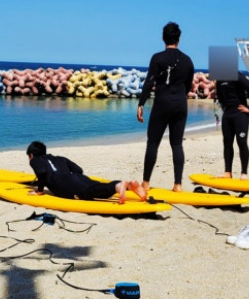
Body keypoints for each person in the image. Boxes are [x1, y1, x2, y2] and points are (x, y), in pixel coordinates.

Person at [137, 22, 195, 193]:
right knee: (177, 144)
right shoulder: (188, 60)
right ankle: (178, 185)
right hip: (180, 105)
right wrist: (179, 97)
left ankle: (145, 183)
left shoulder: (157, 58)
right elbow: (188, 85)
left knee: (153, 143)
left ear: (163, 38)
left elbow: (149, 82)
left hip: (162, 104)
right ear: (179, 38)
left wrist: (141, 103)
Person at [26, 141, 147, 203]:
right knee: (99, 190)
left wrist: (39, 191)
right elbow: (78, 170)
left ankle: (119, 186)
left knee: (86, 193)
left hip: (64, 183)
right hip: (76, 177)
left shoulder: (35, 160)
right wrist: (74, 178)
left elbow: (41, 172)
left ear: (31, 155)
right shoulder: (59, 158)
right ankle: (128, 186)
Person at [216, 72, 249, 180]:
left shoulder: (237, 75)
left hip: (240, 114)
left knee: (241, 142)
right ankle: (227, 172)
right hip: (228, 115)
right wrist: (224, 107)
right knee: (227, 143)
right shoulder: (219, 79)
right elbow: (219, 94)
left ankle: (244, 173)